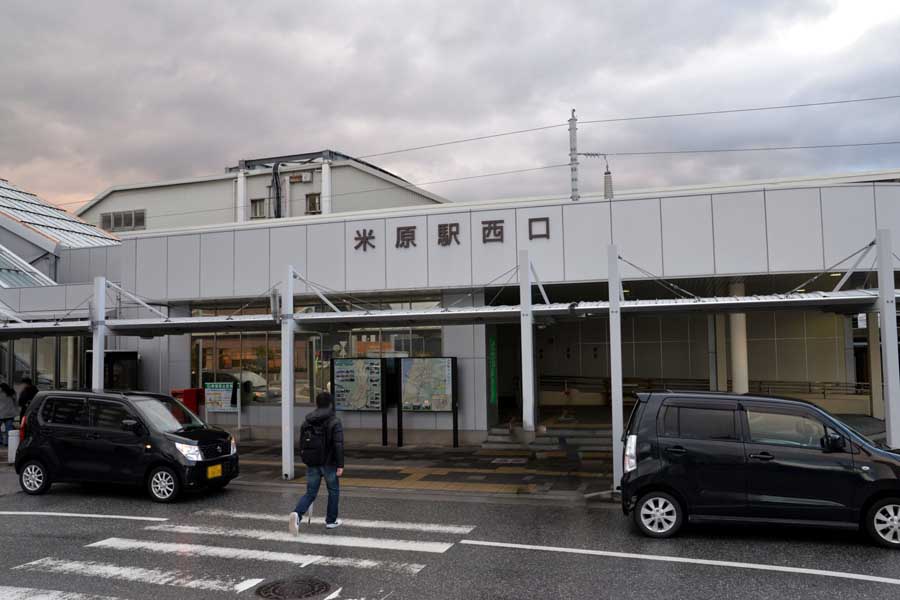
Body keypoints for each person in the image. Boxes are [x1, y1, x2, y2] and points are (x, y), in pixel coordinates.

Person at [290, 392, 344, 533]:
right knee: (333, 491)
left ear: (317, 404)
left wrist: (306, 458)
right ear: (331, 404)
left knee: (310, 493)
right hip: (329, 464)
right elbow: (338, 445)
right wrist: (340, 465)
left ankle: (297, 514)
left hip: (313, 463)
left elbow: (301, 443)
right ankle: (331, 521)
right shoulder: (334, 421)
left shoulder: (307, 421)